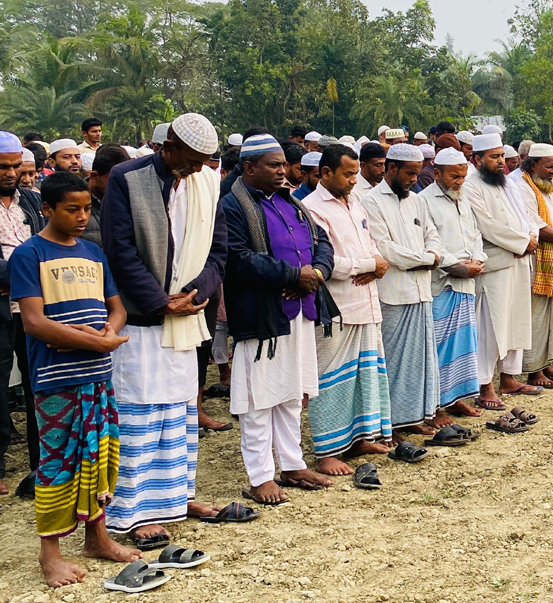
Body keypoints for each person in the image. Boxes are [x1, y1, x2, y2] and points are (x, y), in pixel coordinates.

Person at [100, 114, 228, 548]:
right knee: (140, 415)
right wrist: (160, 302)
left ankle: (175, 498)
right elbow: (118, 249)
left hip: (187, 319)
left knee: (178, 414)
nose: (195, 170)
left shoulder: (207, 182)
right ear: (167, 147)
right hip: (141, 323)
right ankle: (131, 512)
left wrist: (194, 293)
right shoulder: (126, 178)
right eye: (190, 161)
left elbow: (218, 249)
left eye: (203, 163)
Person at [11, 172, 143, 587]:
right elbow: (34, 322)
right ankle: (49, 554)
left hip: (98, 375)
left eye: (87, 208)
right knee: (56, 464)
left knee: (99, 456)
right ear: (46, 209)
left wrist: (106, 334)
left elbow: (117, 307)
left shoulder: (93, 253)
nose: (83, 216)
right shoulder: (28, 255)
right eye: (72, 209)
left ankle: (96, 537)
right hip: (55, 379)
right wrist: (92, 341)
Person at [220, 134, 337, 505]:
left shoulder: (291, 201)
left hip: (299, 311)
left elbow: (323, 242)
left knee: (291, 393)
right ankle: (259, 477)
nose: (283, 171)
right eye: (275, 165)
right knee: (259, 399)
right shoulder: (233, 206)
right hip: (262, 316)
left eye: (284, 165)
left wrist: (316, 272)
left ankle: (292, 464)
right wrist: (292, 275)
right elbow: (236, 259)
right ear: (249, 167)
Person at [301, 145, 393, 473]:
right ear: (325, 174)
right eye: (348, 174)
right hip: (336, 306)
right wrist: (368, 264)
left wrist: (376, 263)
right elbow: (325, 261)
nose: (354, 180)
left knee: (363, 376)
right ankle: (327, 452)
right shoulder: (311, 208)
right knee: (331, 379)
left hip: (366, 301)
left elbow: (371, 246)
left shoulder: (355, 202)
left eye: (356, 173)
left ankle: (359, 438)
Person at [363, 144, 452, 438]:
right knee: (392, 363)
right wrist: (428, 260)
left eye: (417, 173)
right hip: (393, 294)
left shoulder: (416, 201)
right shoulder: (370, 202)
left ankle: (412, 416)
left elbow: (433, 236)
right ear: (391, 169)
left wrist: (432, 256)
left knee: (418, 363)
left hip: (421, 291)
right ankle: (390, 424)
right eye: (410, 173)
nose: (415, 178)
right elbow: (385, 250)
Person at [463, 133, 537, 408]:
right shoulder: (471, 186)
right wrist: (522, 242)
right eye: (493, 157)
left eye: (501, 156)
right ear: (477, 159)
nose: (500, 162)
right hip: (495, 264)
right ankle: (485, 386)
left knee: (516, 321)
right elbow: (488, 225)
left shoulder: (507, 183)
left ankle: (509, 378)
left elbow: (526, 216)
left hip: (519, 259)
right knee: (491, 327)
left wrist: (531, 237)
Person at [421, 147, 484, 418]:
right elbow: (430, 242)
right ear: (437, 174)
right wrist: (457, 266)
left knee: (463, 346)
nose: (460, 181)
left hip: (467, 282)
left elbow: (475, 234)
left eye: (463, 176)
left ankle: (455, 398)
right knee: (440, 348)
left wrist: (478, 260)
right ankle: (435, 405)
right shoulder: (423, 200)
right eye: (454, 176)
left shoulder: (463, 197)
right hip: (443, 283)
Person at [0, 132, 44, 497]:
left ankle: (40, 465)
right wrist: (19, 274)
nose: (12, 173)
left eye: (16, 166)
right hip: (2, 307)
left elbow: (46, 247)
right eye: (4, 166)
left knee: (37, 387)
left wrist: (23, 276)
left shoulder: (31, 200)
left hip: (33, 307)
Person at [514, 144, 553, 387]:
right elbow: (537, 226)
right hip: (539, 261)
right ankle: (534, 371)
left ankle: (547, 366)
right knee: (538, 318)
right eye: (548, 166)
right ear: (533, 165)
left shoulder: (551, 189)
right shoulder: (523, 188)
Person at [83, 145, 130, 248]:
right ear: (94, 176)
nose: (122, 186)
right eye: (114, 181)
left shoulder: (129, 202)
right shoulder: (75, 202)